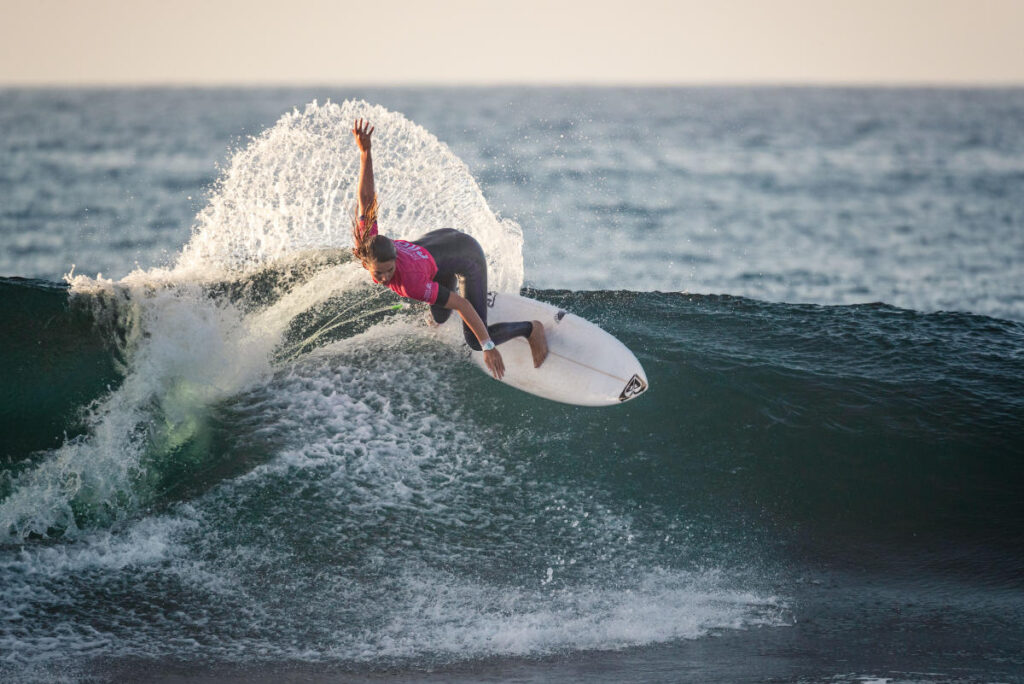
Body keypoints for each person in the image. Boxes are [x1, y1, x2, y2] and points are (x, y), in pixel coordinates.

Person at [349, 118, 547, 380]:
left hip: (466, 256)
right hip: (439, 243)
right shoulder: (368, 244)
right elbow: (367, 200)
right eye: (380, 272)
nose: (384, 278)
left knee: (475, 339)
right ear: (367, 262)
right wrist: (365, 153)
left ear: (396, 260)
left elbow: (463, 305)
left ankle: (530, 329)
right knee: (440, 314)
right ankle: (441, 308)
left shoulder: (410, 284)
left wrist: (488, 347)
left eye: (389, 270)